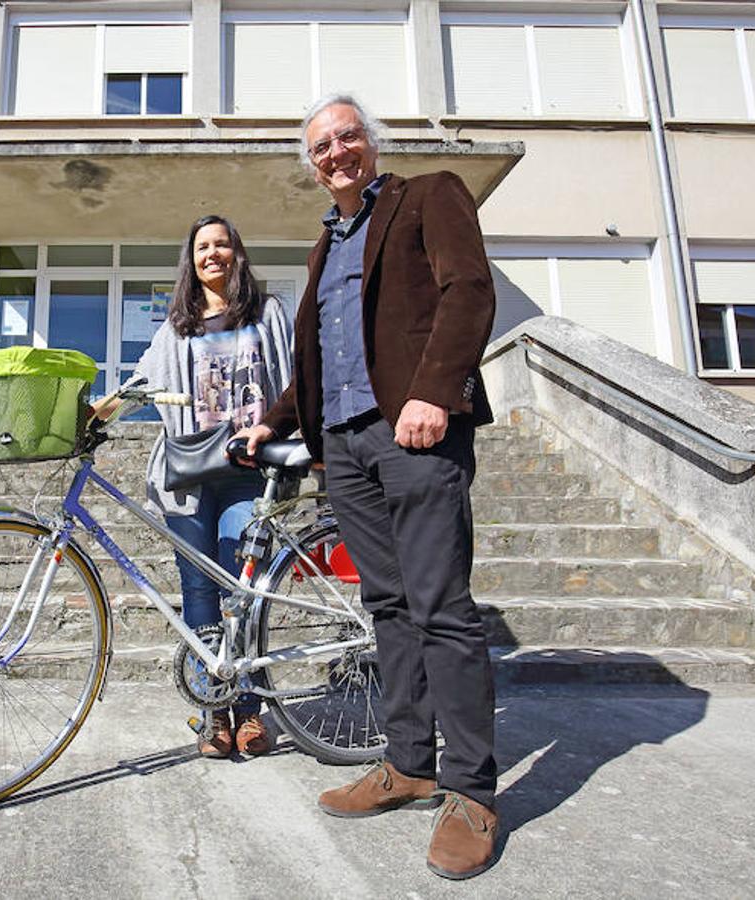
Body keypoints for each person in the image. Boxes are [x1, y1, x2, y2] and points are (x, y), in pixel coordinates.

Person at [234, 94, 500, 879]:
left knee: (440, 608)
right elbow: (324, 351)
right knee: (385, 607)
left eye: (347, 137)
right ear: (312, 165)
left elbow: (468, 292)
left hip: (413, 430)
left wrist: (434, 389)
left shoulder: (429, 195)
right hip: (343, 445)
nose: (335, 153)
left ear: (371, 144)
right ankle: (409, 763)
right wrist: (277, 420)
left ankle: (471, 792)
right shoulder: (326, 243)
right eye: (320, 146)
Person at [109, 215, 294, 758]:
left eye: (221, 244)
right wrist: (99, 409)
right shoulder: (177, 327)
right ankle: (214, 711)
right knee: (198, 592)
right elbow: (142, 380)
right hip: (192, 477)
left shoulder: (268, 313)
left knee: (244, 589)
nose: (212, 254)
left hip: (250, 472)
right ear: (191, 262)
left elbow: (293, 375)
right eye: (202, 248)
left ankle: (252, 710)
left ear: (237, 253)